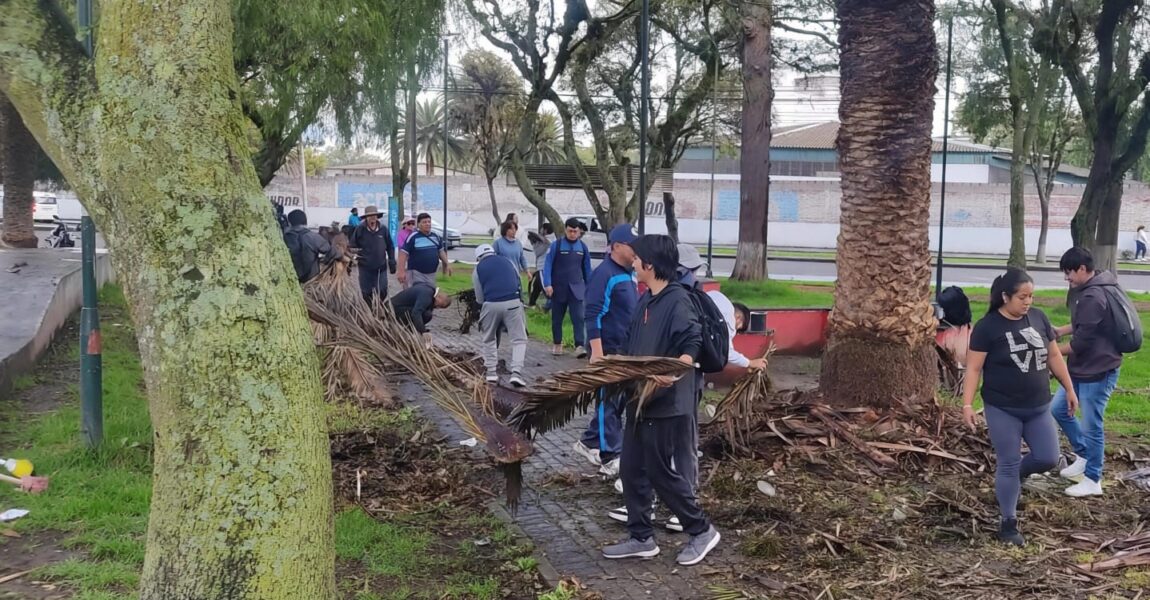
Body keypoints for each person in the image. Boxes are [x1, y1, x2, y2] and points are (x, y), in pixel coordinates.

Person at [602, 234, 721, 567]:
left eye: (637, 259)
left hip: (666, 401)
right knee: (630, 467)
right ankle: (641, 537)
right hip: (639, 398)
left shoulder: (677, 300)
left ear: (650, 264)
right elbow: (632, 346)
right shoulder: (647, 299)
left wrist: (672, 370)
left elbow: (691, 344)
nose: (633, 262)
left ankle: (701, 530)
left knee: (658, 471)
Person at [962, 268, 1077, 545]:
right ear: (1005, 296)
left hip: (1038, 406)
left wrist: (1069, 388)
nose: (1028, 302)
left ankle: (1014, 477)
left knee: (1048, 457)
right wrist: (967, 404)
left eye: (1031, 296)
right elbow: (974, 368)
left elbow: (1052, 355)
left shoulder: (1038, 317)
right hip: (1003, 407)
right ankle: (1008, 522)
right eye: (1022, 297)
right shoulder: (988, 327)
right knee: (1009, 461)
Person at [1051, 247, 1123, 497]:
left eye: (1068, 272)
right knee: (1058, 408)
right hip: (1083, 369)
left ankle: (1093, 479)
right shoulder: (1096, 287)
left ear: (1082, 269)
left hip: (1098, 371)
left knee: (1093, 425)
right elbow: (1085, 323)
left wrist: (1052, 352)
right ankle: (1083, 454)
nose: (1066, 278)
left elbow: (1081, 342)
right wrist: (1060, 330)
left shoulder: (1094, 296)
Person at [572, 224, 639, 478]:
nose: (637, 251)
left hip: (625, 349)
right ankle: (610, 455)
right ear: (617, 246)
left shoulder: (629, 273)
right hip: (608, 350)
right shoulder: (605, 274)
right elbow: (593, 314)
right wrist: (597, 352)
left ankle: (589, 442)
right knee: (608, 402)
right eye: (632, 246)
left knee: (617, 401)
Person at [472, 244, 528, 388]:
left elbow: (479, 298)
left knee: (489, 338)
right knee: (519, 339)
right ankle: (516, 373)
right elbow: (519, 282)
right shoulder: (508, 262)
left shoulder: (477, 269)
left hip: (491, 304)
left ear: (478, 257)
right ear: (493, 252)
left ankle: (491, 372)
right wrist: (521, 301)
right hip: (513, 302)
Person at [542, 218, 592, 357]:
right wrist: (548, 284)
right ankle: (557, 344)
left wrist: (590, 286)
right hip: (558, 288)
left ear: (579, 232)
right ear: (565, 230)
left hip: (577, 289)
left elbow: (587, 269)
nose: (572, 234)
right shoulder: (556, 246)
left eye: (575, 231)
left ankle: (579, 345)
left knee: (579, 317)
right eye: (570, 231)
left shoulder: (583, 247)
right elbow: (547, 265)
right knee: (557, 318)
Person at [348, 205, 396, 304]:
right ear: (366, 218)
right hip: (365, 267)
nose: (372, 218)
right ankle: (370, 312)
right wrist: (357, 256)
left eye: (374, 215)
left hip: (381, 266)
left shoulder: (383, 229)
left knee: (383, 290)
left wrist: (392, 261)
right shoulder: (360, 229)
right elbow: (352, 247)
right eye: (370, 216)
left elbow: (390, 246)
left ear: (377, 216)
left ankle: (379, 306)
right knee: (366, 292)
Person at [283, 209, 342, 283]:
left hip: (290, 280)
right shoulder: (312, 237)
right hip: (310, 281)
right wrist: (329, 260)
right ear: (305, 221)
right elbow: (331, 251)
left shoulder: (283, 238)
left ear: (290, 222)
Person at [399, 213, 453, 289]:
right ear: (418, 224)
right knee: (416, 294)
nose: (427, 224)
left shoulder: (436, 236)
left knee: (429, 294)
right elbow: (403, 254)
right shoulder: (413, 237)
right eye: (424, 222)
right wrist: (401, 272)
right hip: (416, 273)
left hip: (431, 274)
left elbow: (441, 251)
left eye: (429, 222)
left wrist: (447, 264)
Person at [391, 283, 452, 347]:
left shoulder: (430, 291)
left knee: (427, 314)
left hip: (399, 307)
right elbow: (416, 313)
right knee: (427, 315)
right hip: (393, 308)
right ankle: (407, 330)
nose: (437, 307)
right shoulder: (426, 296)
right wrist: (423, 332)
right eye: (439, 305)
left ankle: (410, 330)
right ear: (438, 297)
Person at [527, 223, 554, 308]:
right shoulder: (544, 241)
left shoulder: (546, 241)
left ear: (545, 230)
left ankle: (550, 304)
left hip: (543, 267)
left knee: (545, 287)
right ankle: (532, 303)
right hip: (541, 267)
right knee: (536, 286)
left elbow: (535, 236)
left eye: (542, 228)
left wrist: (538, 237)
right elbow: (531, 235)